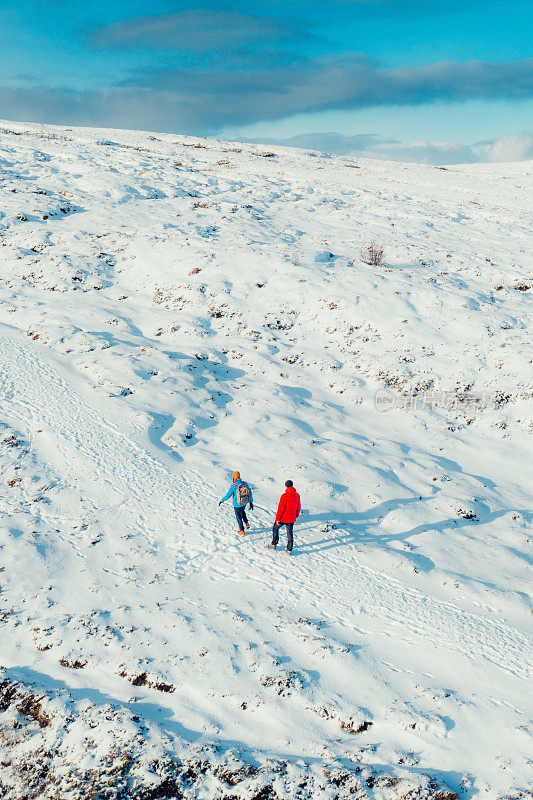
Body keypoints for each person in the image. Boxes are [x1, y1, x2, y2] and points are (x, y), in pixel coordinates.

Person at [267, 480, 301, 554]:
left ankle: (274, 544)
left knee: (275, 528)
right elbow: (298, 507)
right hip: (291, 518)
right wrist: (296, 515)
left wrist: (277, 519)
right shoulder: (297, 495)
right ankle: (289, 550)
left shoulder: (284, 495)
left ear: (286, 486)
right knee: (290, 533)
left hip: (283, 518)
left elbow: (280, 508)